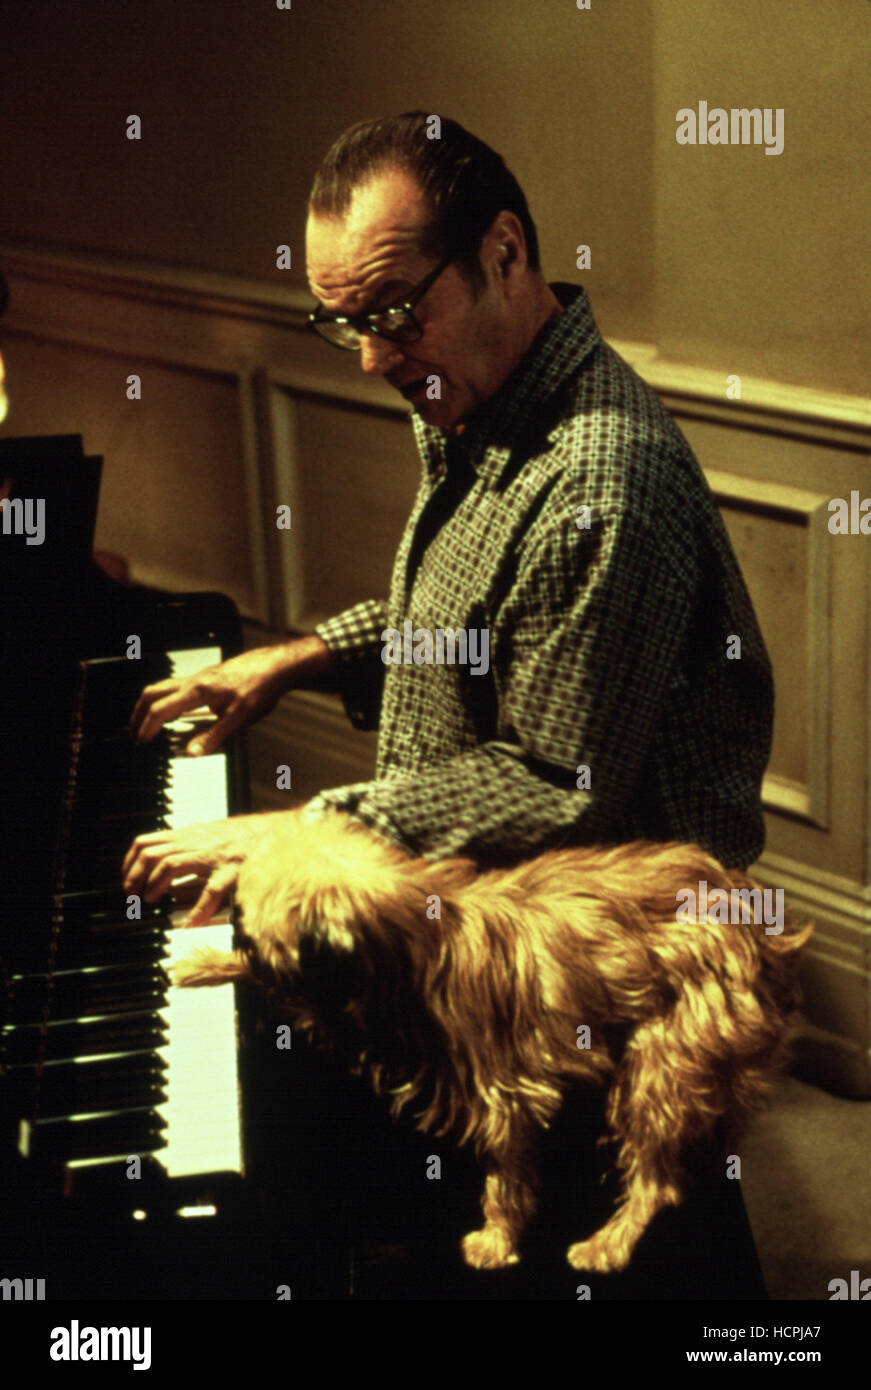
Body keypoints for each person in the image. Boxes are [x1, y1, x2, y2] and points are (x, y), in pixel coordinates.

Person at [123, 112, 773, 1299]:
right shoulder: (482, 400)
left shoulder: (598, 481)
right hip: (487, 927)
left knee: (630, 1244)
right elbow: (469, 617)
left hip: (590, 974)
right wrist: (298, 658)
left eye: (391, 314)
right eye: (343, 323)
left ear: (503, 254)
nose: (370, 358)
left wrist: (310, 832)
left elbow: (555, 781)